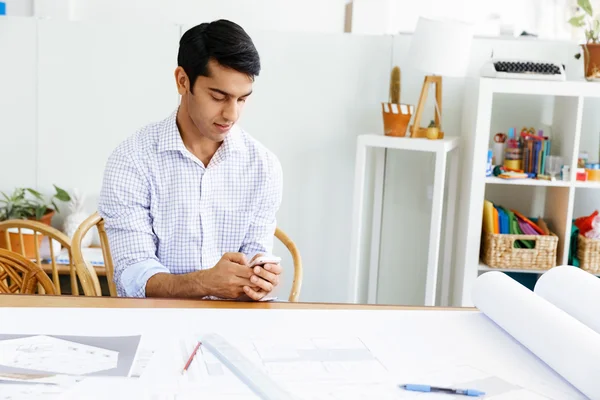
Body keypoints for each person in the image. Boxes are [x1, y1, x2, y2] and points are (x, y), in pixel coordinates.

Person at [98, 20, 283, 301]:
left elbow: (255, 256)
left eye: (242, 99)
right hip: (157, 325)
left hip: (236, 325)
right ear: (183, 81)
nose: (231, 114)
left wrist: (259, 279)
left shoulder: (264, 167)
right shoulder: (132, 161)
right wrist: (204, 283)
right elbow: (132, 275)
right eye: (218, 96)